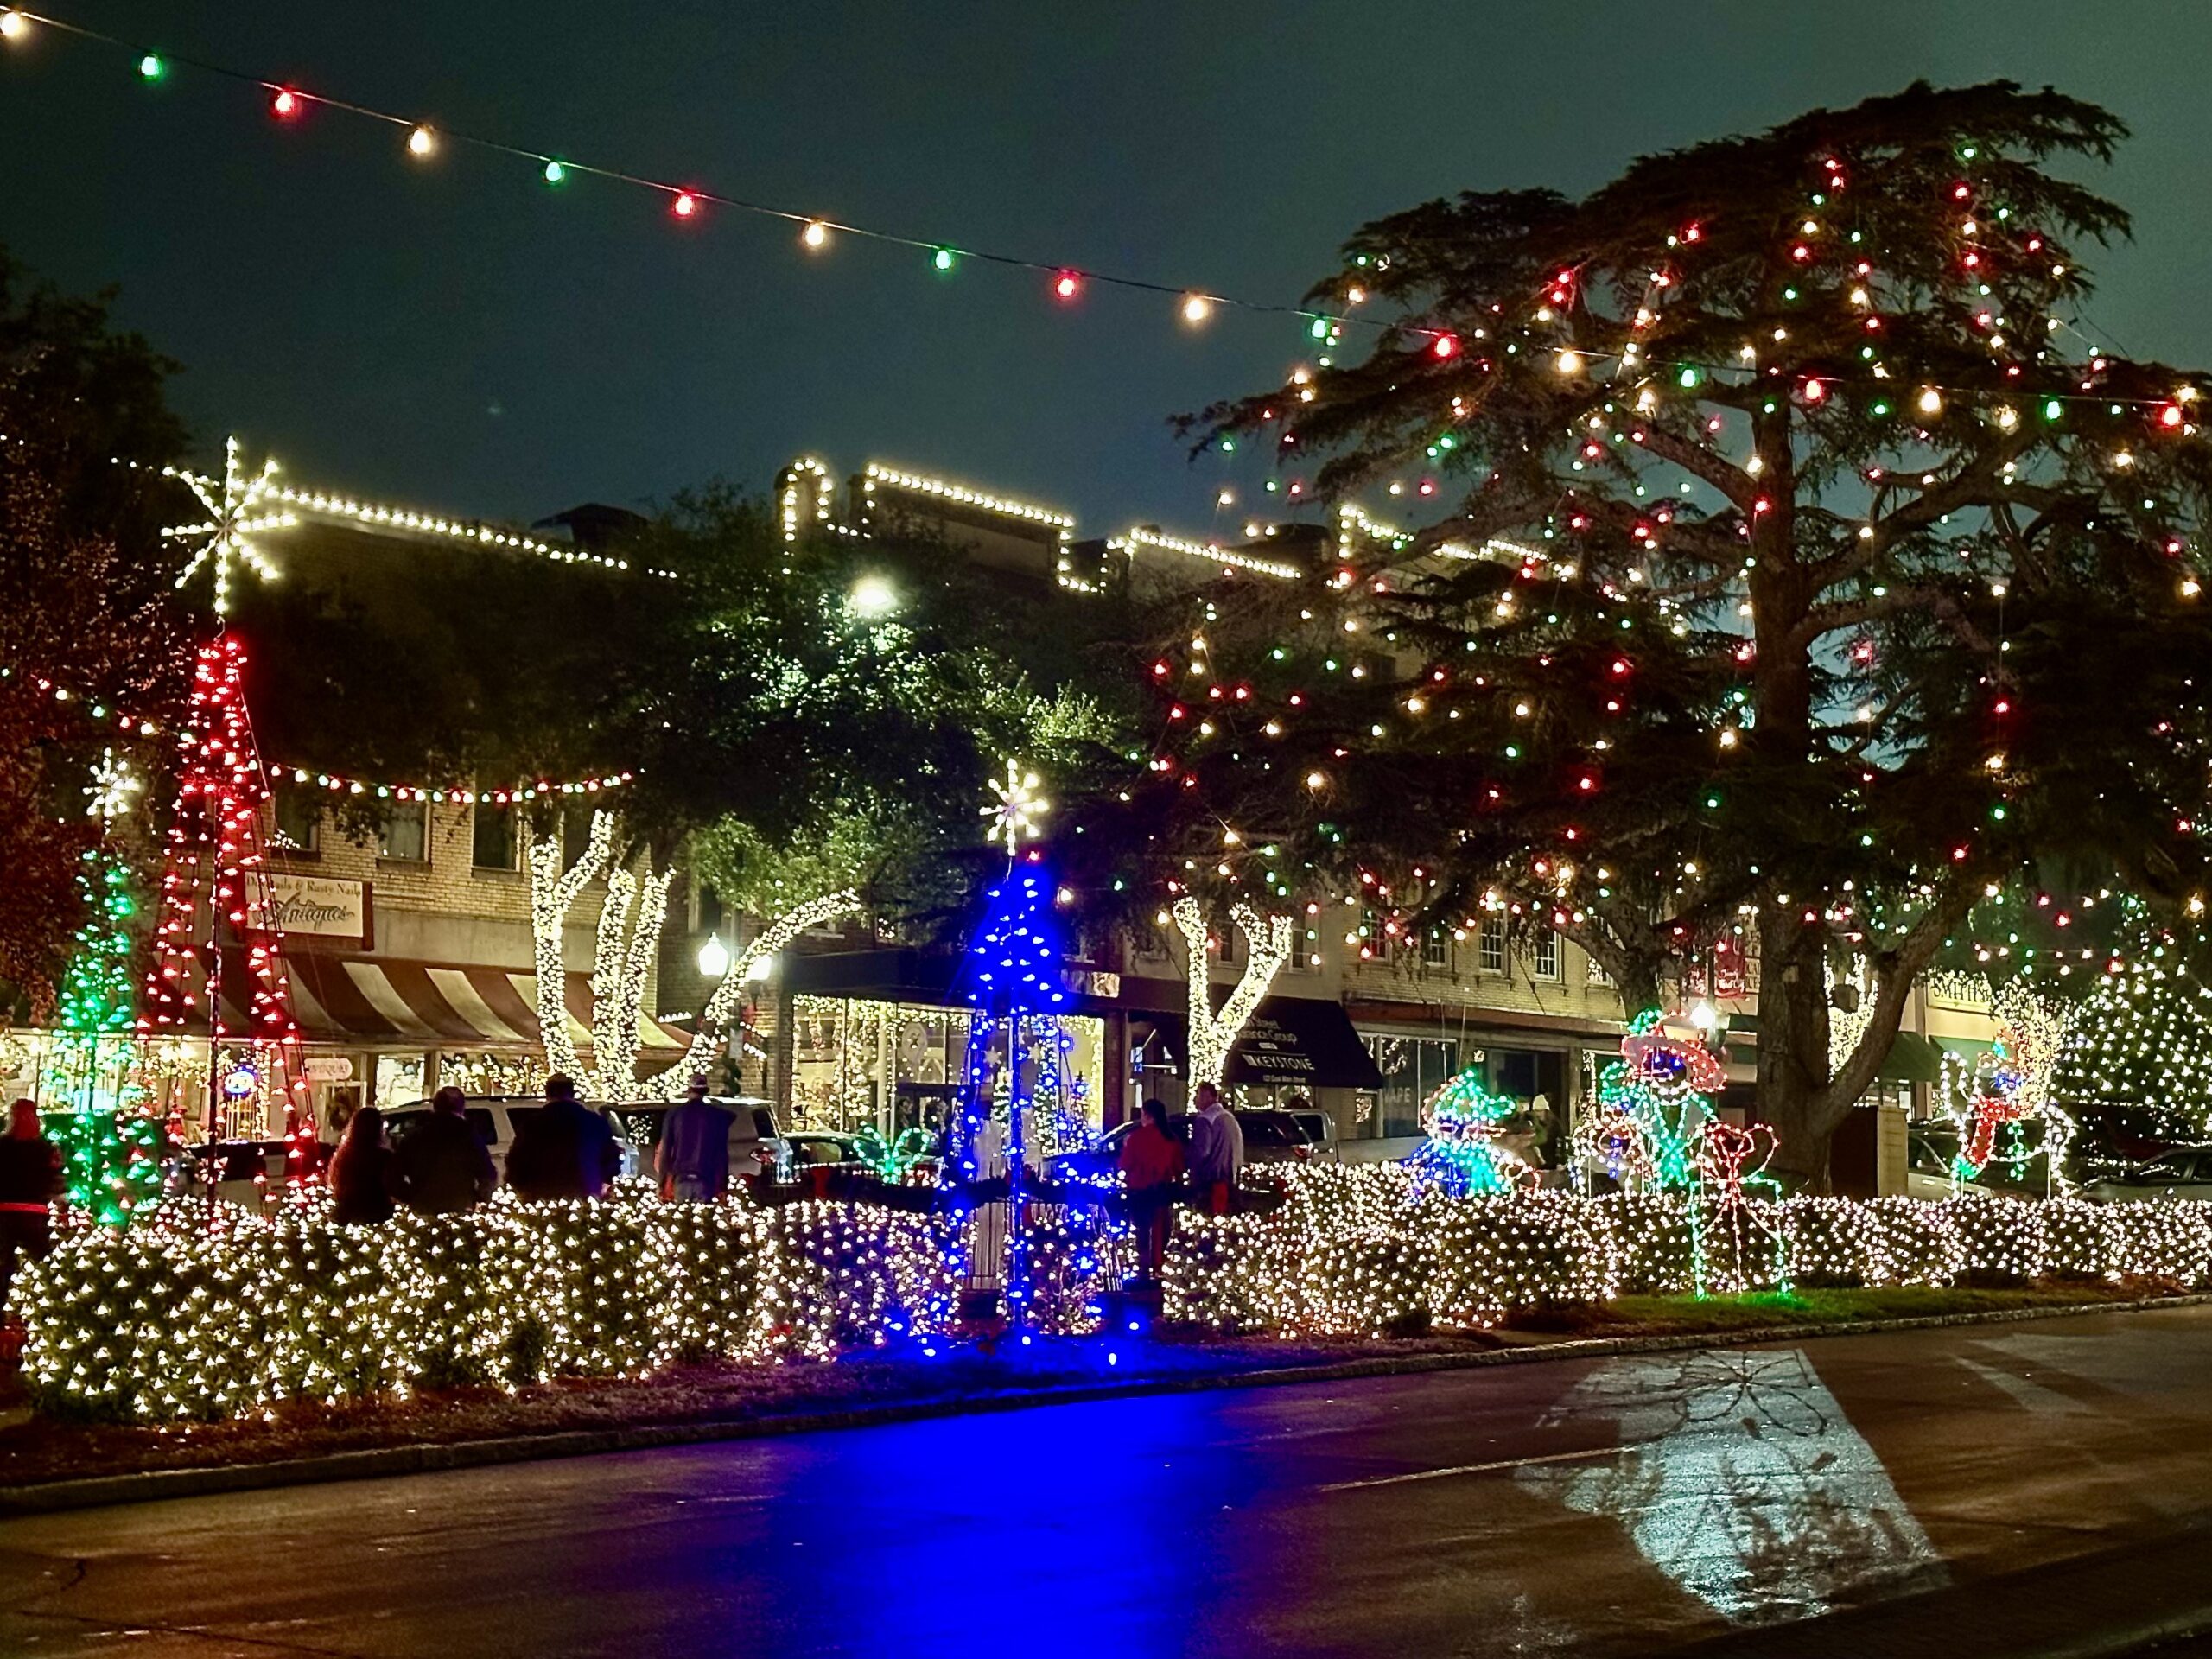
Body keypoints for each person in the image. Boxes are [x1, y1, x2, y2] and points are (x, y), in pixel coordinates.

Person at [505, 1074, 620, 1201]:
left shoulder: (535, 1123)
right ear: (572, 1093)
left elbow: (518, 1159)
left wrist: (518, 1185)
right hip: (586, 1190)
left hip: (543, 1193)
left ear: (547, 1093)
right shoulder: (594, 1122)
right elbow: (611, 1156)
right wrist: (605, 1180)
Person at [395, 1087, 496, 1216]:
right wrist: (478, 1197)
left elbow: (393, 1176)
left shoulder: (416, 1137)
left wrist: (412, 1196)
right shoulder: (469, 1137)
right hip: (460, 1207)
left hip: (424, 1209)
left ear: (435, 1106)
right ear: (462, 1108)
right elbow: (487, 1173)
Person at [0, 1099, 60, 1306]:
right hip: (34, 1212)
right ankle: (39, 1308)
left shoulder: (3, 1146)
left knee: (4, 1267)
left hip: (4, 1212)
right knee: (40, 1262)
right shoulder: (44, 1149)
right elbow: (53, 1181)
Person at [1117, 1098, 1184, 1278]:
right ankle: (1159, 1266)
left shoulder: (1136, 1138)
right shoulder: (1170, 1138)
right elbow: (1178, 1166)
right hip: (1162, 1191)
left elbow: (1125, 1164)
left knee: (1142, 1231)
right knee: (1160, 1229)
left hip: (1139, 1191)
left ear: (1148, 1115)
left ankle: (1143, 1269)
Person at [657, 1077, 733, 1202]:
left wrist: (662, 1182)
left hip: (681, 1176)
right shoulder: (716, 1116)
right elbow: (722, 1154)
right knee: (702, 1218)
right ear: (705, 1092)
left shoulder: (675, 1115)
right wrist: (723, 1185)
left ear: (689, 1091)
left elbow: (665, 1151)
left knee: (682, 1218)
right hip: (706, 1177)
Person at [327, 1104, 399, 1225]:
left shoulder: (344, 1156)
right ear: (378, 1129)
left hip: (349, 1215)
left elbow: (335, 1184)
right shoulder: (383, 1157)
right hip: (378, 1216)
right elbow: (394, 1186)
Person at [1185, 1081, 1244, 1216]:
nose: (1196, 1100)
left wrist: (1190, 1165)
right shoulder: (1230, 1117)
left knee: (1208, 1219)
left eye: (1198, 1096)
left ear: (1208, 1097)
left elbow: (1201, 1152)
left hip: (1211, 1180)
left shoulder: (1205, 1120)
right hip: (1230, 1177)